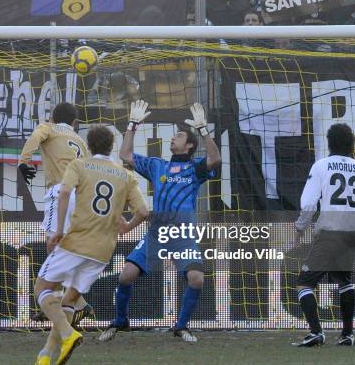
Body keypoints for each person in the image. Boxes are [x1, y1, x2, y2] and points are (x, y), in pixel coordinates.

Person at [99, 100, 221, 343]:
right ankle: (121, 321)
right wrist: (132, 125)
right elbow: (125, 154)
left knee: (197, 278)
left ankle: (181, 327)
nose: (173, 139)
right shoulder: (157, 166)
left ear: (188, 146)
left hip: (183, 235)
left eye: (179, 136)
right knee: (125, 276)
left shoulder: (194, 169)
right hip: (156, 234)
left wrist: (204, 130)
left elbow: (215, 158)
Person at [34, 125, 148, 365]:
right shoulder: (125, 174)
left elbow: (64, 192)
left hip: (76, 241)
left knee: (42, 288)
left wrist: (58, 231)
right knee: (69, 299)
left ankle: (67, 333)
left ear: (88, 146)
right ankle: (47, 354)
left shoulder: (79, 165)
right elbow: (144, 211)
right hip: (104, 250)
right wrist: (127, 227)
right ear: (111, 147)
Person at [294, 123, 355, 347]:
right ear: (352, 145)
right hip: (352, 234)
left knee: (304, 284)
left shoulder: (322, 166)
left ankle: (316, 332)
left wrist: (300, 228)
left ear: (329, 143)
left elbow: (309, 203)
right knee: (344, 280)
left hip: (330, 232)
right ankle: (347, 335)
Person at [18, 102, 95, 330]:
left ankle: (65, 300)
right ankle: (69, 302)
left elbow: (34, 137)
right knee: (66, 250)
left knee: (54, 247)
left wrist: (24, 161)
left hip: (61, 192)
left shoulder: (48, 128)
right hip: (82, 197)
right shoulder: (79, 140)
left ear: (52, 117)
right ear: (74, 122)